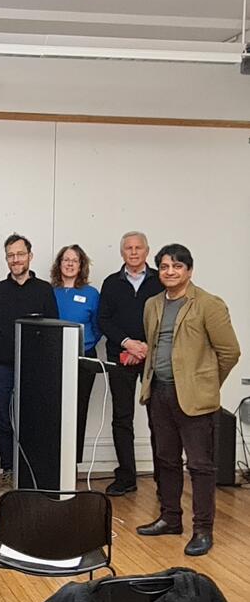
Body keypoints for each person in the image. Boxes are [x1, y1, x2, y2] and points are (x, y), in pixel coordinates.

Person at [136, 244, 240, 557]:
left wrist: (205, 384)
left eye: (177, 266)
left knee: (200, 466)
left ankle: (203, 530)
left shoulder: (208, 304)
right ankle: (170, 519)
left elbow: (230, 352)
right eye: (165, 266)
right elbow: (154, 347)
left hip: (195, 400)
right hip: (160, 393)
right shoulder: (153, 304)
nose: (170, 271)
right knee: (166, 460)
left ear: (189, 271)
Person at [0, 234, 59, 491]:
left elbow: (52, 329)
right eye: (11, 255)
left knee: (33, 420)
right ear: (6, 259)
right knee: (5, 421)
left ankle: (32, 471)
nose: (16, 259)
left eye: (20, 254)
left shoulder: (44, 290)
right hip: (1, 368)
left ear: (30, 256)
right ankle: (8, 470)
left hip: (35, 370)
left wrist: (47, 367)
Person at [96, 231, 163, 497]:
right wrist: (128, 343)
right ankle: (126, 477)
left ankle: (164, 479)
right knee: (122, 418)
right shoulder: (111, 283)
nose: (133, 252)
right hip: (121, 357)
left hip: (155, 359)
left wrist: (147, 346)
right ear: (122, 253)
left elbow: (168, 318)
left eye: (138, 248)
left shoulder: (161, 280)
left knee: (159, 420)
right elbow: (104, 319)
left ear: (147, 251)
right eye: (128, 248)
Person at [50, 245, 103, 466]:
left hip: (83, 358)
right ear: (59, 264)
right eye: (66, 260)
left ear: (81, 266)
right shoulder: (50, 291)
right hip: (54, 358)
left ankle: (73, 463)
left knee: (78, 410)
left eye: (75, 260)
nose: (70, 264)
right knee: (54, 411)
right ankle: (54, 462)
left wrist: (86, 344)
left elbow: (99, 326)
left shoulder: (91, 294)